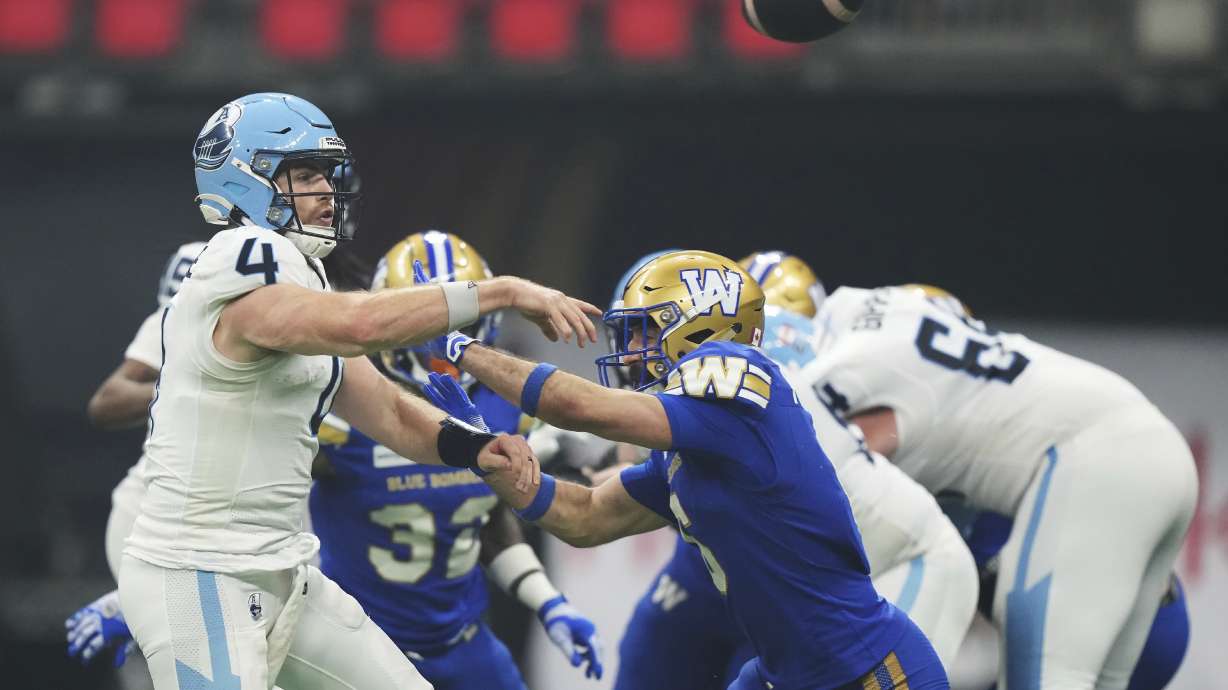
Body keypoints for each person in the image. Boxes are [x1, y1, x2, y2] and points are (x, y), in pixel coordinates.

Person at [118, 92, 590, 690]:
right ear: (243, 179)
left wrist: (476, 449)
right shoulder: (242, 255)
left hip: (282, 568)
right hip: (200, 571)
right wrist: (501, 292)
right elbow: (359, 325)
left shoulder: (304, 275)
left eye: (326, 174)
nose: (325, 191)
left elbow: (389, 410)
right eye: (304, 175)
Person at [433, 250, 949, 690]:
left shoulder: (739, 381)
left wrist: (460, 347)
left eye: (645, 330)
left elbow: (581, 407)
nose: (630, 353)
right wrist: (483, 455)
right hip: (788, 671)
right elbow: (585, 516)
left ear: (699, 324)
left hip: (865, 669)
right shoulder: (688, 447)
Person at [798, 282, 1197, 690]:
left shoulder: (836, 374)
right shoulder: (875, 315)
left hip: (1092, 460)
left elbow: (816, 483)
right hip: (1155, 444)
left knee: (1043, 677)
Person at [310, 230, 603, 690]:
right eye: (425, 322)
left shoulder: (504, 405)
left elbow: (484, 521)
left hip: (464, 644)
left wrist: (549, 603)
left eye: (458, 324)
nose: (440, 340)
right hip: (360, 648)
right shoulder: (346, 408)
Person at [65, 241, 205, 686]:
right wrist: (191, 386)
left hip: (235, 517)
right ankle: (137, 607)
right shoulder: (181, 318)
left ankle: (136, 608)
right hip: (164, 518)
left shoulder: (290, 312)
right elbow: (106, 403)